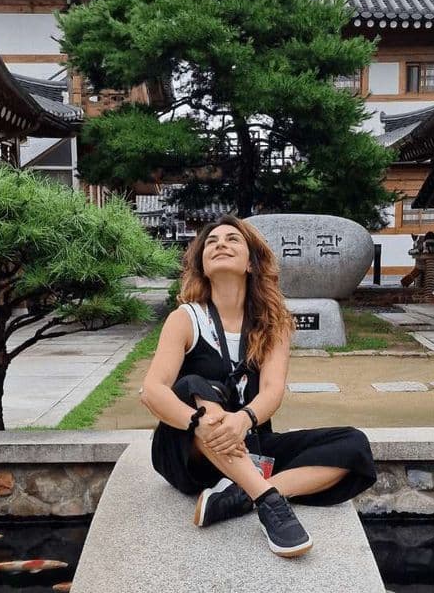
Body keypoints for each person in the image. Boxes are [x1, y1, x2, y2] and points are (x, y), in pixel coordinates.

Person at [140, 215, 376, 558]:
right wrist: (198, 423)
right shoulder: (185, 318)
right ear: (203, 266)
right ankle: (268, 504)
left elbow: (272, 392)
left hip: (250, 443)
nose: (220, 243)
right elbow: (153, 390)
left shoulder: (273, 322)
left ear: (251, 262)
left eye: (233, 239)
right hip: (188, 451)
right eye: (211, 241)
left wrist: (244, 420)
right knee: (193, 384)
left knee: (354, 444)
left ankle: (238, 496)